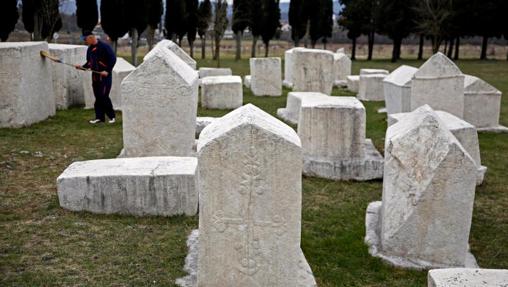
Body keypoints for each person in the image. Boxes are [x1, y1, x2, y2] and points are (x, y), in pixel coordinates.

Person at [76, 31, 117, 124]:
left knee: (104, 96)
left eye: (85, 39)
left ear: (91, 37)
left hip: (105, 77)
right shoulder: (89, 49)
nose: (85, 42)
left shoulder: (104, 47)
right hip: (95, 77)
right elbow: (89, 63)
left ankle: (112, 117)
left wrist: (107, 70)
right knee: (98, 97)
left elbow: (113, 59)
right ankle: (99, 118)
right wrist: (82, 67)